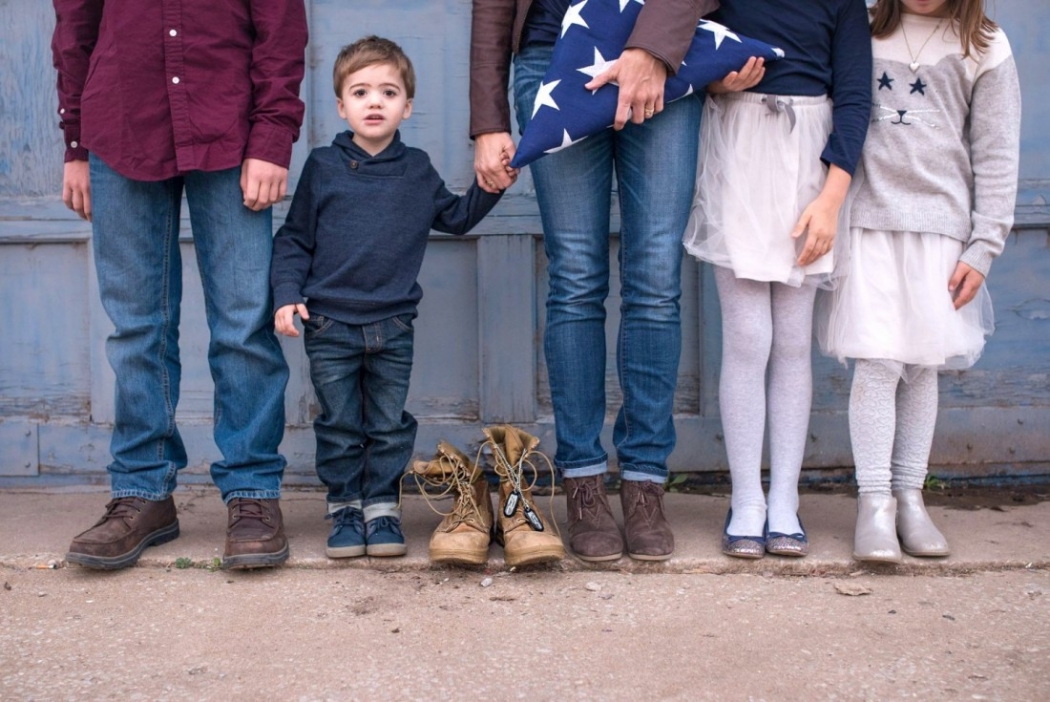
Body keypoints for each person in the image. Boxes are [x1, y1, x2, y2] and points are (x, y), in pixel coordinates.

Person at [52, 0, 307, 570]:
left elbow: (280, 29)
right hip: (120, 124)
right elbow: (74, 28)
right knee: (136, 327)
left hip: (229, 124)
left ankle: (253, 492)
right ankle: (143, 492)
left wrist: (272, 136)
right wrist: (75, 144)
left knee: (243, 322)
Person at [470, 0, 720, 563]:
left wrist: (652, 47)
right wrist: (487, 120)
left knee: (656, 277)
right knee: (576, 277)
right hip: (552, 56)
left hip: (662, 59)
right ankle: (582, 480)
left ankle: (644, 483)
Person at [271, 36, 506, 559]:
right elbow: (294, 239)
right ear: (342, 106)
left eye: (388, 92)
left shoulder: (417, 169)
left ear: (407, 106)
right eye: (360, 92)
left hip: (393, 325)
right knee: (339, 424)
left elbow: (456, 217)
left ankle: (381, 507)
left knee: (388, 423)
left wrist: (492, 185)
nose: (374, 102)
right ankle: (344, 507)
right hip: (329, 324)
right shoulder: (323, 166)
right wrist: (286, 294)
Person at [818, 0, 1020, 563]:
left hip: (940, 230)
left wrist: (984, 245)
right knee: (878, 362)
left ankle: (910, 494)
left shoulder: (985, 45)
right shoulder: (861, 27)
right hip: (869, 221)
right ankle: (874, 501)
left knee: (921, 364)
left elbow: (997, 151)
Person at [683, 0, 873, 559]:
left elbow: (855, 96)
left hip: (810, 162)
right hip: (739, 147)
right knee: (748, 337)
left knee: (791, 341)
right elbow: (689, 56)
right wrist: (716, 83)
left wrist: (831, 198)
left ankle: (785, 497)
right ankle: (747, 497)